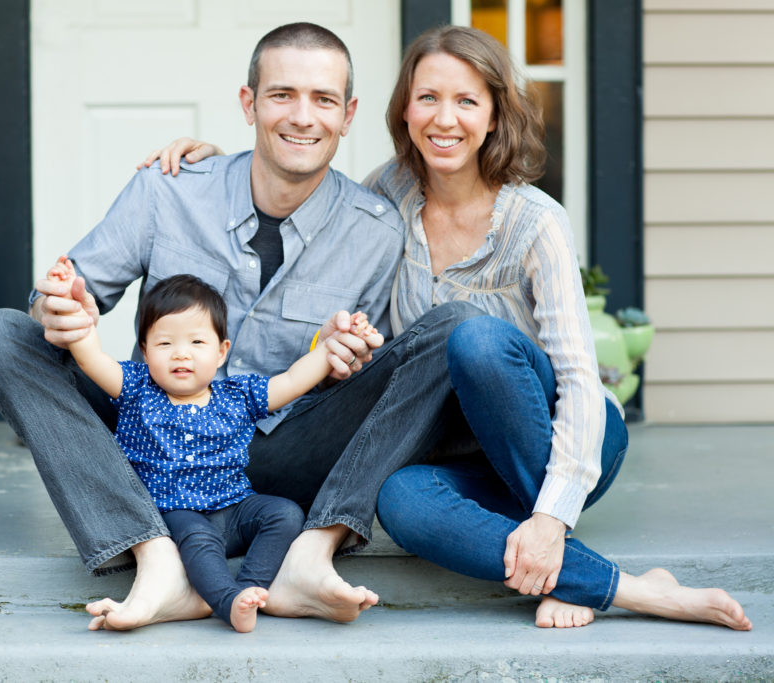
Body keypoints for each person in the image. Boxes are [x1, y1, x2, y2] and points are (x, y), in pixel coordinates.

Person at [143, 25, 752, 632]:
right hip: (461, 453)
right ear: (404, 109)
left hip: (562, 435)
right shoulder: (387, 195)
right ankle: (635, 589)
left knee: (475, 338)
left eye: (467, 101)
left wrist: (551, 521)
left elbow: (579, 380)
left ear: (494, 116)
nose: (445, 119)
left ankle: (566, 554)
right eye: (428, 97)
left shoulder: (536, 222)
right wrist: (217, 168)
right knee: (400, 502)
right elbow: (300, 186)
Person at [0, 21, 484, 632]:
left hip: (284, 449)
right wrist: (56, 308)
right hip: (153, 437)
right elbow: (68, 293)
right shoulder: (169, 190)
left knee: (455, 327)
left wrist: (345, 355)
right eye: (281, 95)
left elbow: (352, 375)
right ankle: (151, 550)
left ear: (347, 116)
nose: (302, 117)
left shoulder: (375, 229)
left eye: (322, 100)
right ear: (249, 104)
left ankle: (313, 550)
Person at [48, 262, 379, 632]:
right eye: (165, 342)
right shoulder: (136, 388)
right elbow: (91, 358)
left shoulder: (237, 395)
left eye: (196, 342)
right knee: (197, 538)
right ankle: (223, 601)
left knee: (284, 514)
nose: (181, 353)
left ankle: (251, 588)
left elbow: (292, 379)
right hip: (177, 513)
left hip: (235, 507)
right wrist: (73, 311)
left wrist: (330, 347)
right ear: (145, 349)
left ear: (221, 352)